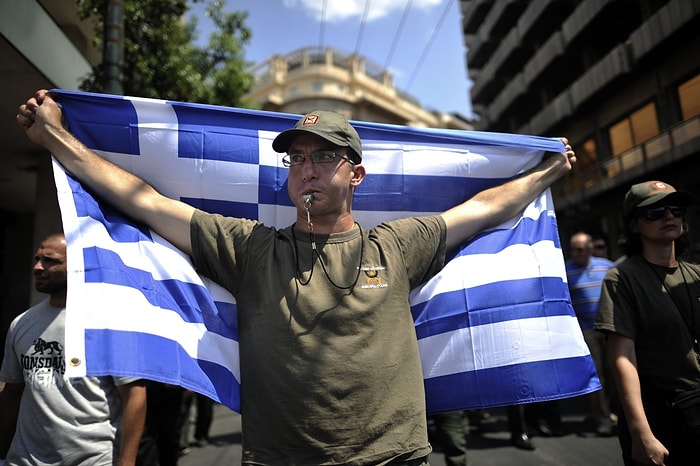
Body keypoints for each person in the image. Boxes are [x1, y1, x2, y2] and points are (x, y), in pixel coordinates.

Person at [16, 89, 576, 465]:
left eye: (322, 157)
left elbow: (485, 207)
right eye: (296, 158)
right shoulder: (250, 248)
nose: (305, 168)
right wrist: (57, 139)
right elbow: (144, 200)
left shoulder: (398, 244)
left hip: (393, 460)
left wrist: (547, 169)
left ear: (355, 173)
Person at [0, 233, 147, 466]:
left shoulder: (108, 322)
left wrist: (126, 462)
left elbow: (134, 396)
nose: (38, 267)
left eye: (50, 260)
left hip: (91, 459)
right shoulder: (21, 324)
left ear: (78, 265)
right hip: (25, 459)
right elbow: (11, 394)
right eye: (37, 259)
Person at [594, 181, 700, 465]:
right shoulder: (622, 279)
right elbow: (623, 359)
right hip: (663, 418)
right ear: (633, 225)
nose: (669, 216)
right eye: (654, 211)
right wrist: (641, 432)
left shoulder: (696, 273)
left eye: (676, 209)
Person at [566, 231, 615, 437]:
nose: (576, 253)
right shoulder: (566, 271)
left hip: (611, 327)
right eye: (573, 249)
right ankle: (602, 418)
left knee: (614, 371)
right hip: (586, 330)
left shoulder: (607, 266)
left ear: (589, 249)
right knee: (596, 375)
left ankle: (611, 410)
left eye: (580, 249)